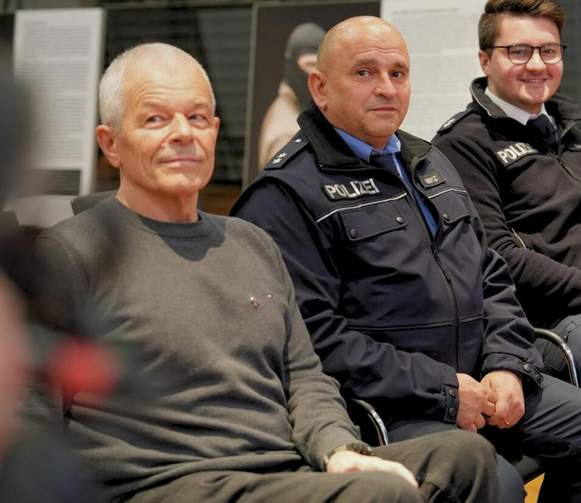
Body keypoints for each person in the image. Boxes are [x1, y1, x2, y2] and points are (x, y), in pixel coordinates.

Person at [33, 43, 499, 503]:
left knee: (465, 457)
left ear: (215, 132)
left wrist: (339, 449)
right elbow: (27, 419)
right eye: (156, 119)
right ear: (109, 143)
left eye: (197, 118)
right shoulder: (68, 256)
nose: (182, 134)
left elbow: (306, 379)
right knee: (381, 494)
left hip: (283, 469)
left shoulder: (251, 242)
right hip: (169, 483)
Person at [232, 16, 581, 503]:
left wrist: (507, 366)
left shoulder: (427, 160)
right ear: (320, 86)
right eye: (364, 74)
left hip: (485, 378)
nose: (386, 88)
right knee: (495, 482)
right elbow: (314, 340)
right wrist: (443, 388)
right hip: (389, 405)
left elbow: (492, 275)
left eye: (398, 74)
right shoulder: (285, 195)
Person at [432, 0, 581, 403]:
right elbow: (498, 255)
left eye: (549, 50)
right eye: (518, 51)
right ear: (485, 60)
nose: (537, 65)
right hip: (550, 322)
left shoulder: (569, 129)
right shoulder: (463, 144)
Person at [257, 23, 325, 167]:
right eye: (309, 65)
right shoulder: (286, 134)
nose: (314, 75)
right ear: (292, 65)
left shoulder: (303, 113)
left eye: (320, 66)